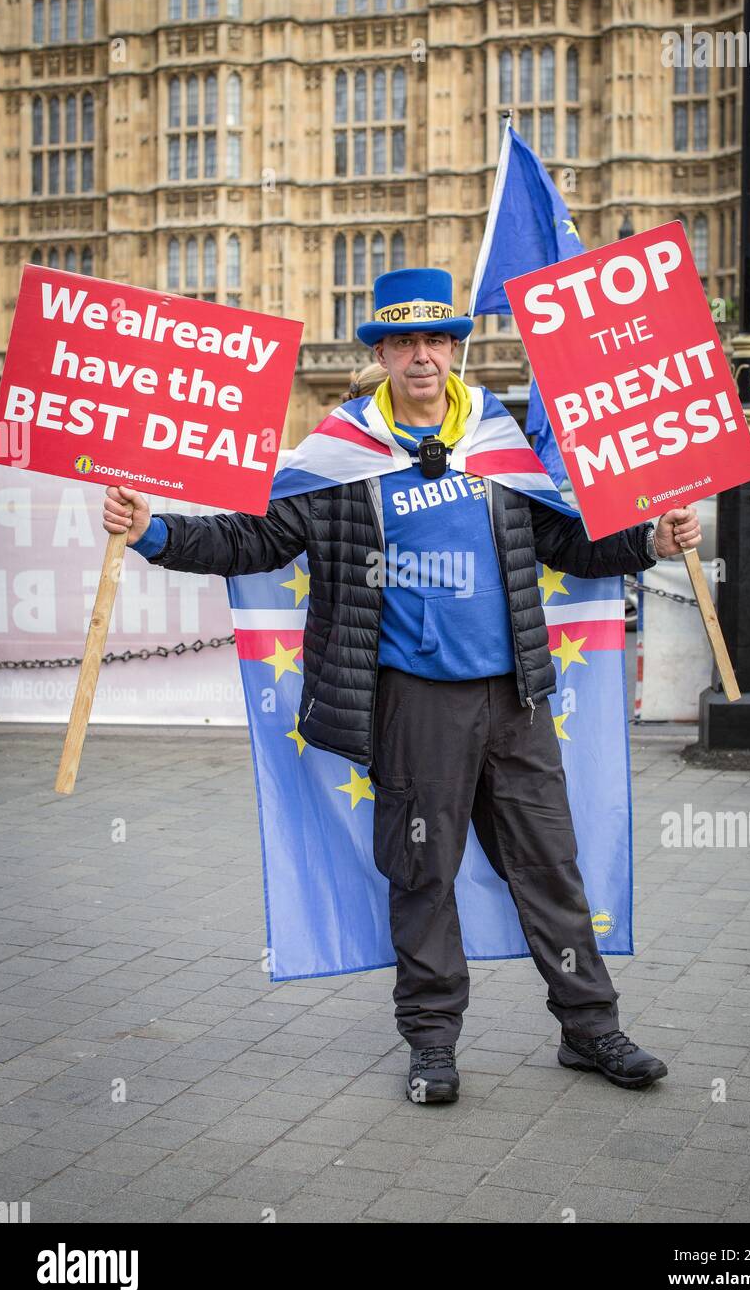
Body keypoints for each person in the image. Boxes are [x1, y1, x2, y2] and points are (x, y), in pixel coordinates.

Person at [103, 267, 701, 1104]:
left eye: (437, 340)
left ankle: (590, 1027)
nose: (423, 356)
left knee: (551, 869)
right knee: (423, 874)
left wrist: (650, 543)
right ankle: (431, 1044)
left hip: (515, 699)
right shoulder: (339, 456)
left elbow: (570, 545)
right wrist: (154, 531)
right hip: (413, 703)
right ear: (381, 351)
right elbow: (258, 539)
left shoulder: (498, 441)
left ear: (456, 349)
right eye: (404, 341)